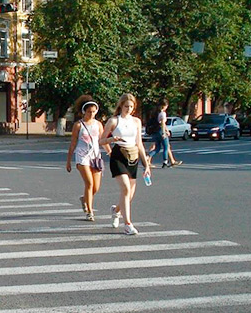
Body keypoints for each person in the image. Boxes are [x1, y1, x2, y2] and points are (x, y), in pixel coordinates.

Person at [100, 93, 151, 235]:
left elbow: (139, 143)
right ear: (121, 106)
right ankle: (128, 224)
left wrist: (146, 164)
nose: (128, 109)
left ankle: (116, 210)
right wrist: (111, 141)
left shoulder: (136, 122)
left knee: (129, 194)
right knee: (126, 189)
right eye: (126, 106)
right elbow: (101, 140)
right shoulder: (114, 121)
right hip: (118, 156)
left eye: (131, 106)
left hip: (133, 157)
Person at [66, 96, 105, 222]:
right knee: (89, 183)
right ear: (84, 111)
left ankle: (84, 199)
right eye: (89, 111)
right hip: (82, 157)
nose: (92, 114)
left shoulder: (98, 124)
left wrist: (111, 152)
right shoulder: (78, 125)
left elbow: (103, 141)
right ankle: (90, 211)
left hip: (95, 157)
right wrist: (68, 161)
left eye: (94, 111)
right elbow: (73, 144)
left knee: (96, 187)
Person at [146, 100, 182, 168]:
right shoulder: (163, 113)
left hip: (155, 132)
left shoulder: (155, 113)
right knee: (166, 147)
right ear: (164, 106)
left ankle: (147, 156)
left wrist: (167, 130)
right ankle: (165, 162)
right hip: (160, 131)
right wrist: (164, 132)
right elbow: (162, 123)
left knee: (157, 148)